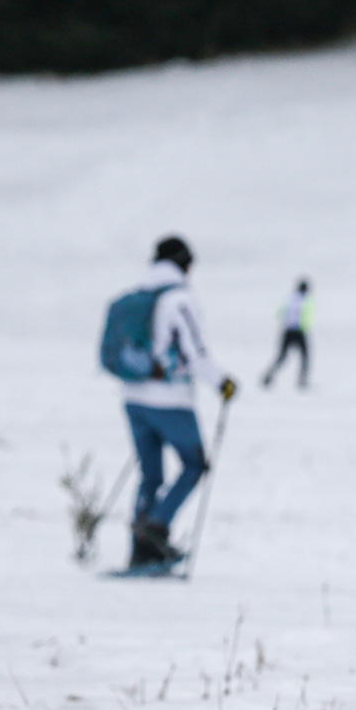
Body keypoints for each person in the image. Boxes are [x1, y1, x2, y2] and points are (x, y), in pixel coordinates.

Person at [109, 236, 236, 568]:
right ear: (184, 264)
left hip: (132, 396)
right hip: (170, 400)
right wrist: (221, 383)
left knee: (150, 474)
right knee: (195, 465)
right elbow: (194, 350)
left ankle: (140, 549)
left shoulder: (141, 295)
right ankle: (156, 527)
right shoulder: (179, 299)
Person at [261, 278, 313, 389]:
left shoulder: (288, 298)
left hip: (287, 330)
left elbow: (279, 313)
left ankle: (268, 377)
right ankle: (302, 381)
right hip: (299, 331)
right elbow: (307, 317)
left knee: (282, 357)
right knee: (305, 357)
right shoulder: (305, 301)